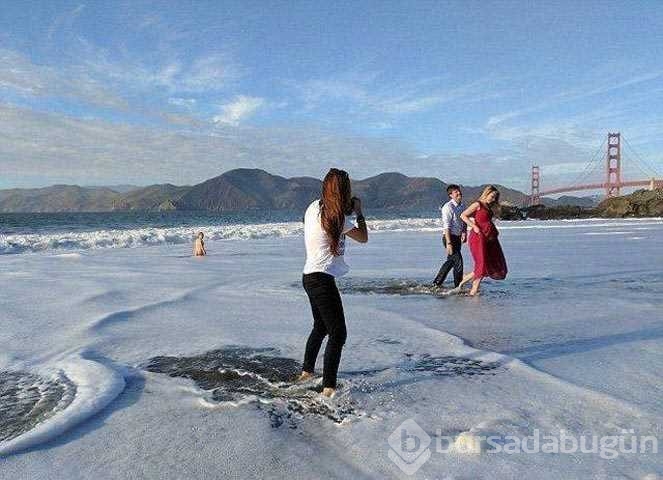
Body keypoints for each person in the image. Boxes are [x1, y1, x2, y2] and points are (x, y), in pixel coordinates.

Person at [297, 168, 368, 398]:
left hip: (309, 275)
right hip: (321, 278)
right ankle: (328, 388)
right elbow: (363, 237)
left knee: (321, 327)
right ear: (343, 191)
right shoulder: (338, 217)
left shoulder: (312, 207)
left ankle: (307, 373)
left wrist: (346, 210)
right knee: (338, 333)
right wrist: (359, 212)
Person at [458, 185, 507, 296]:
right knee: (482, 264)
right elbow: (463, 215)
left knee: (485, 264)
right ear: (487, 193)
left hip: (488, 238)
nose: (493, 199)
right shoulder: (477, 204)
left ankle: (465, 280)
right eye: (492, 196)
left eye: (495, 197)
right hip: (477, 237)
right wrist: (474, 227)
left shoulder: (488, 207)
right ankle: (473, 291)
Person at [433, 184, 467, 288]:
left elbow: (464, 220)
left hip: (457, 237)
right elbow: (446, 226)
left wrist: (464, 232)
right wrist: (449, 243)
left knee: (451, 261)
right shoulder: (448, 207)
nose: (459, 193)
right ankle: (458, 286)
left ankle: (436, 283)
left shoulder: (462, 206)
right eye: (456, 192)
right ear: (450, 195)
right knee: (458, 262)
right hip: (449, 237)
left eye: (459, 191)